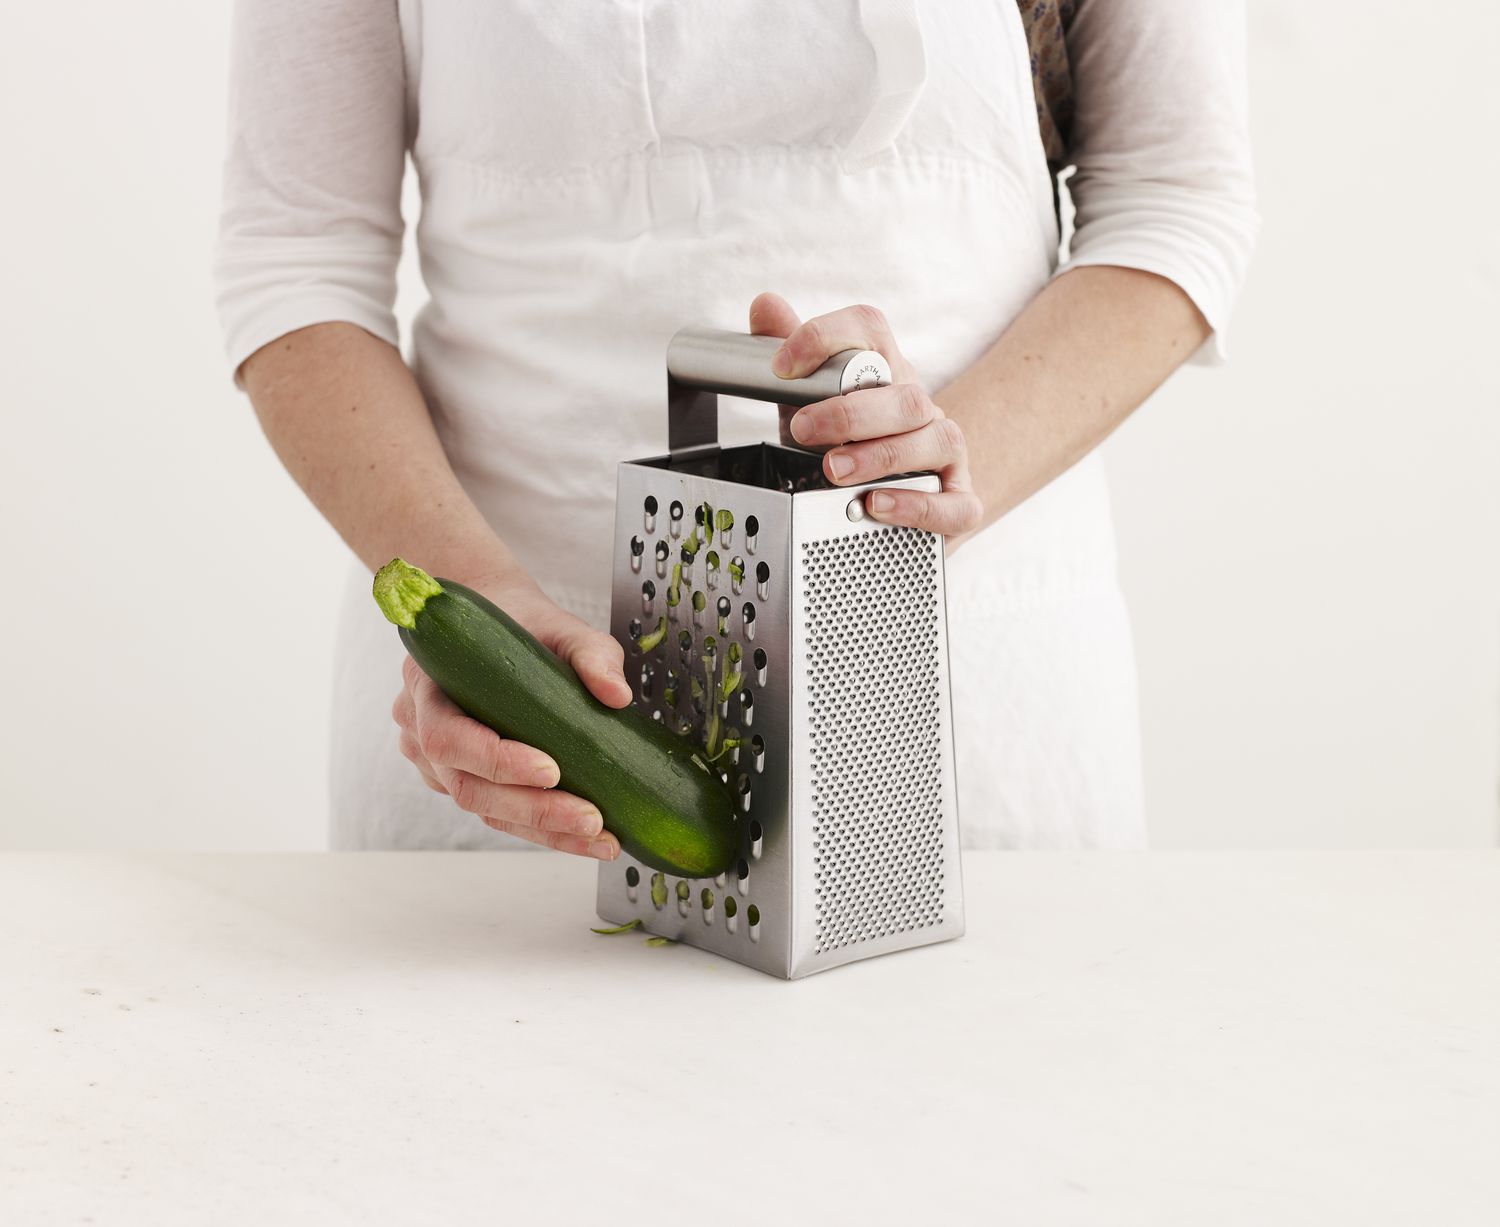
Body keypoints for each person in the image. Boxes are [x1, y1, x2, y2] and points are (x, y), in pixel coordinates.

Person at [214, 1, 1257, 856]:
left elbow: (1176, 198)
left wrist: (941, 460)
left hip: (975, 691)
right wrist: (476, 618)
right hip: (524, 740)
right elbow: (298, 251)